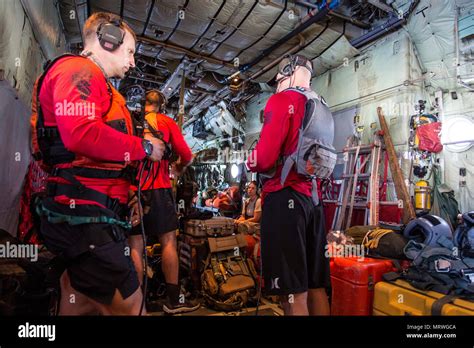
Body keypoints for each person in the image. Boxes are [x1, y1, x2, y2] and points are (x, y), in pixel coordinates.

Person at [32, 12, 165, 315]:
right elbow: (80, 134)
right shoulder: (79, 70)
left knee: (76, 297)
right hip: (85, 220)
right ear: (108, 40)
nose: (132, 62)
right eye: (130, 51)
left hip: (87, 214)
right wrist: (144, 147)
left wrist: (127, 192)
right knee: (132, 307)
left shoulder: (98, 85)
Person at [246, 54, 331, 316]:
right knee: (315, 284)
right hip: (313, 202)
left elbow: (265, 157)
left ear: (288, 71)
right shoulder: (321, 104)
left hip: (285, 200)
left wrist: (251, 161)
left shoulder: (283, 99)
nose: (277, 85)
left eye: (278, 80)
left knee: (292, 289)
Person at [130, 89, 199, 314]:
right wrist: (177, 167)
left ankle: (136, 302)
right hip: (159, 189)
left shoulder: (132, 122)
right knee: (169, 241)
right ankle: (173, 301)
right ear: (162, 105)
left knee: (135, 246)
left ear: (144, 104)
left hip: (135, 190)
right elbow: (186, 155)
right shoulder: (167, 122)